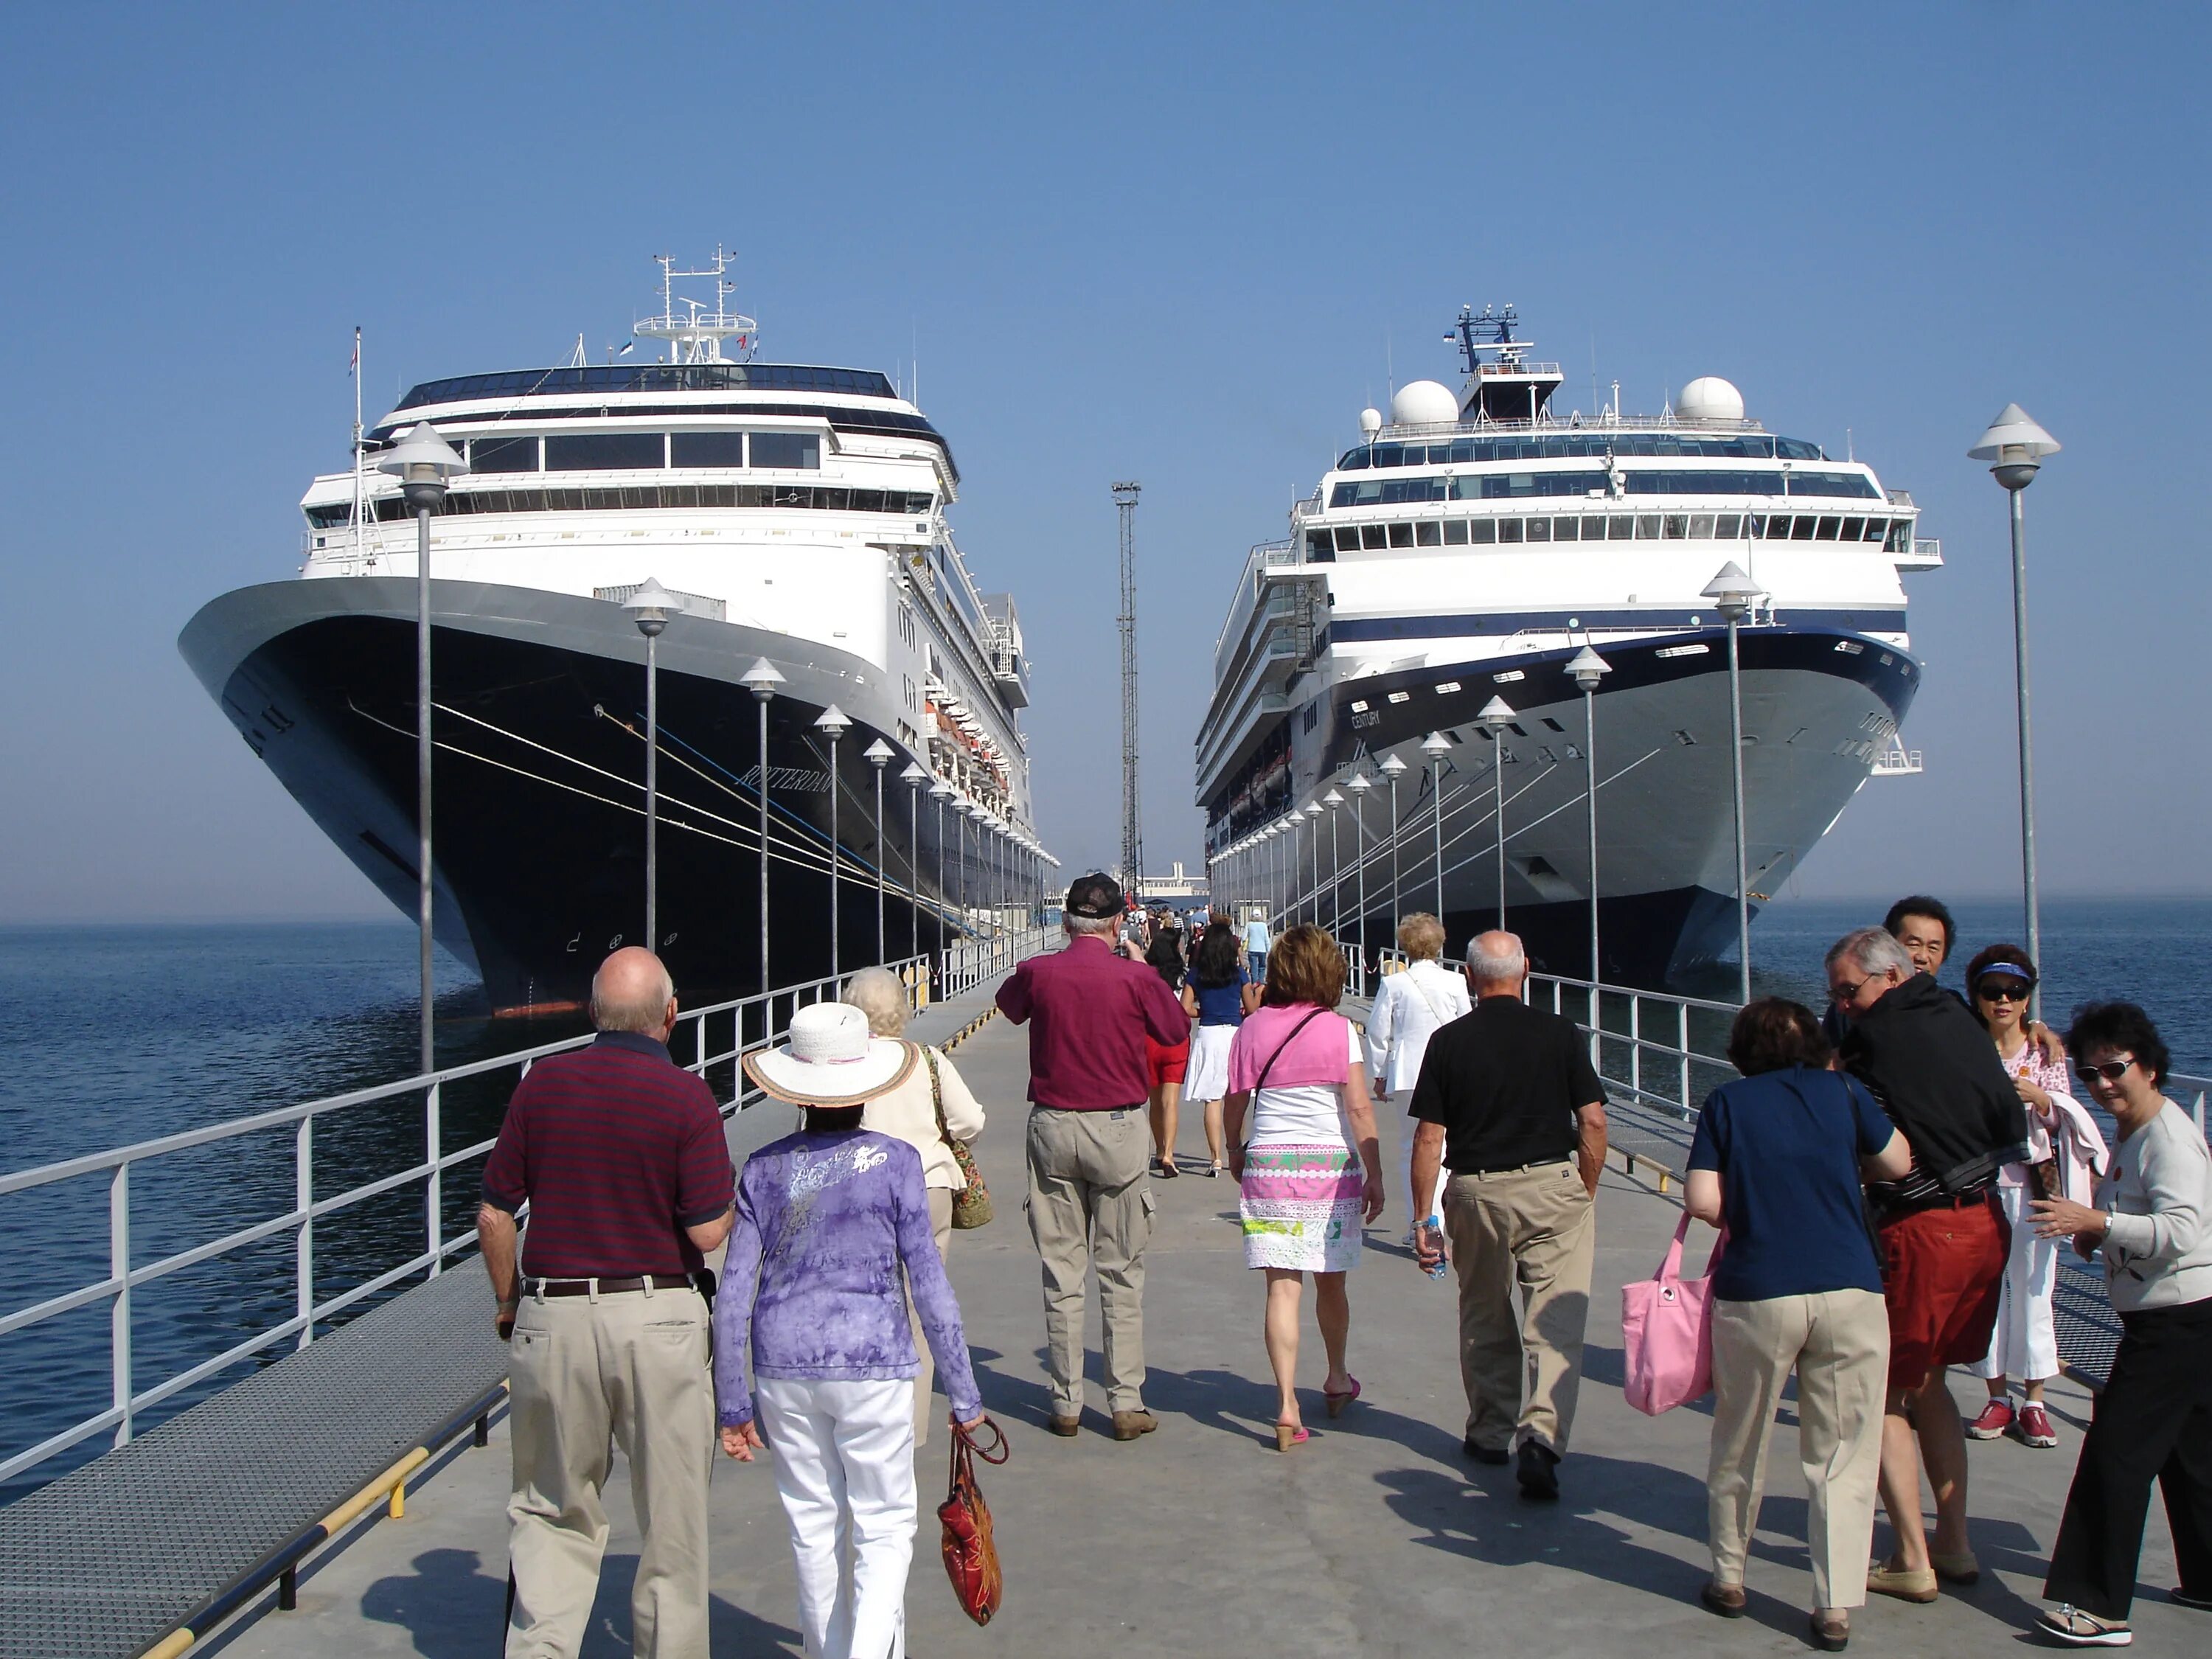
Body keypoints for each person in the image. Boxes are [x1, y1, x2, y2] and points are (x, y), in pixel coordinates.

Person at [476, 948, 734, 1659]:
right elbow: (707, 1230)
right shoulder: (687, 1097)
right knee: (672, 1523)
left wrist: (509, 1303)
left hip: (552, 1317)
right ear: (671, 1015)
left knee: (552, 1512)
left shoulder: (541, 1085)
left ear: (593, 1014)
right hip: (658, 1321)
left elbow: (496, 1217)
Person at [717, 1002, 984, 1659]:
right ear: (866, 1084)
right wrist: (965, 1392)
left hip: (782, 1365)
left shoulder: (760, 1168)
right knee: (886, 1524)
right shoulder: (895, 1163)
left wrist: (731, 1403)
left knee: (812, 1526)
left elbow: (732, 1296)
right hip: (877, 1362)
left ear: (797, 1092)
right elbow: (928, 1283)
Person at [1685, 998, 1913, 1652]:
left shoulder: (1729, 1103)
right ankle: (1834, 1604)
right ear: (1815, 1043)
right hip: (1849, 1287)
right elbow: (1899, 1162)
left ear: (1742, 1050)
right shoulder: (1844, 1092)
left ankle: (1729, 1575)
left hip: (1758, 1288)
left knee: (1741, 1436)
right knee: (1843, 1450)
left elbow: (1703, 1199)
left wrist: (1753, 1202)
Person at [1826, 925, 2027, 1602]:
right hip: (1986, 1222)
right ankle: (1955, 1541)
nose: (1844, 1005)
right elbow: (2006, 1121)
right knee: (1933, 1384)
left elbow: (1855, 1126)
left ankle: (1912, 1557)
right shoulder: (1956, 1018)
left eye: (1848, 992)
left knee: (1881, 1391)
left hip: (1923, 1230)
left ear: (1887, 978)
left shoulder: (1875, 1041)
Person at [2029, 1002, 2212, 1646]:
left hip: (2177, 1320)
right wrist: (2098, 1235)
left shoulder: (2169, 1139)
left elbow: (2182, 1232)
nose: (2103, 1083)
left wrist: (2097, 1225)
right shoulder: (2136, 1132)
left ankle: (2097, 1604)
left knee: (2116, 1456)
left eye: (2116, 1068)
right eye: (2091, 1073)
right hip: (2180, 1319)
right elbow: (2134, 1218)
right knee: (2191, 1454)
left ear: (2151, 1068)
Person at [1410, 930, 1608, 1500]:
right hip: (1553, 1185)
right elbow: (1593, 1122)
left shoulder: (1448, 1042)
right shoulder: (1560, 1034)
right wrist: (1584, 1189)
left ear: (1470, 978)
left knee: (1484, 1313)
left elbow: (1429, 1138)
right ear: (1525, 971)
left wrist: (1425, 1218)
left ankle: (1491, 1431)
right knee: (1554, 1322)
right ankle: (1542, 1439)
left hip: (1475, 1191)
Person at [996, 873, 1190, 1439]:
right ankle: (1126, 1400)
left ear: (1064, 921)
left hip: (1055, 1126)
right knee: (1122, 1270)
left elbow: (1010, 1007)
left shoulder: (1040, 972)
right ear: (1116, 923)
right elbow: (1176, 1030)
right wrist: (1141, 966)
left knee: (1063, 1272)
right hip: (1118, 1129)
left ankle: (1066, 1402)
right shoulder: (1135, 978)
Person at [1222, 925, 1385, 1450]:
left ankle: (1287, 1405)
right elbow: (1358, 1108)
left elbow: (1234, 1101)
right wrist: (1375, 1172)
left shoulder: (1251, 1029)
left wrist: (1233, 1148)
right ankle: (1337, 1377)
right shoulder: (1340, 1030)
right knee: (1330, 1284)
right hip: (1329, 1168)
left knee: (1282, 1288)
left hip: (1270, 1162)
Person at [1960, 947, 2107, 1452]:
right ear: (1976, 996)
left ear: (2027, 1000)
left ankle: (2036, 1400)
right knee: (1985, 1290)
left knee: (2036, 1289)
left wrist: (2043, 1102)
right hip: (1979, 1185)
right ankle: (1996, 1394)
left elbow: (2064, 1119)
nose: (2003, 1000)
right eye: (1992, 991)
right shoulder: (1965, 1049)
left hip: (2034, 1187)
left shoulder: (2046, 1054)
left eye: (2015, 992)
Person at [841, 965, 987, 1448]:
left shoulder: (842, 1065)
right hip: (928, 1186)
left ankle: (862, 1419)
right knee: (922, 1306)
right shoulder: (926, 1060)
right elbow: (971, 1121)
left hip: (857, 1192)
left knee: (859, 1303)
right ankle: (910, 1429)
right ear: (901, 1008)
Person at [1366, 913, 1472, 1239]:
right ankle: (1445, 1217)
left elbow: (1378, 1032)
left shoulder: (1394, 983)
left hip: (1409, 1074)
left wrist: (1380, 1073)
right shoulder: (1456, 981)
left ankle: (1422, 1221)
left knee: (1411, 1148)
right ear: (1440, 943)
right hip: (1451, 1074)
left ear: (1405, 945)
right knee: (1447, 1149)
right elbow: (1466, 1028)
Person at [1181, 920, 1261, 1178]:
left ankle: (1215, 1158)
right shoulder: (1239, 975)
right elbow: (1251, 1009)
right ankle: (1234, 1151)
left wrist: (1203, 1011)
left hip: (1208, 1035)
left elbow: (1184, 1008)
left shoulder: (1197, 973)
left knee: (1211, 1099)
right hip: (1235, 1035)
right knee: (1235, 1098)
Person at [1144, 926, 1193, 1177]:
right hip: (1176, 1040)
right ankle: (1170, 1155)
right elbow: (1187, 1008)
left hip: (1150, 1039)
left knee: (1155, 1102)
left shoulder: (1146, 976)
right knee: (1170, 1100)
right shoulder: (1182, 977)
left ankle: (1159, 1149)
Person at [1242, 909, 1273, 984]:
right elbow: (1266, 938)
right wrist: (1269, 949)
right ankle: (1261, 983)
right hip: (1262, 950)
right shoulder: (1264, 925)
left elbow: (1243, 937)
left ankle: (1255, 985)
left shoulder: (1249, 925)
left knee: (1254, 968)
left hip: (1252, 949)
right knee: (1262, 967)